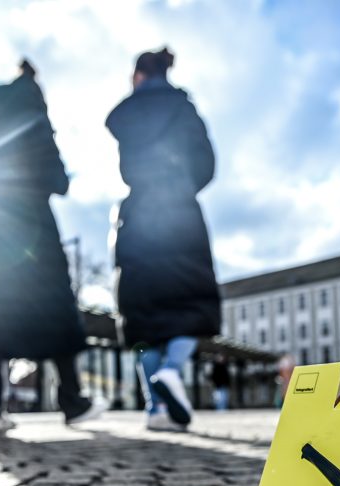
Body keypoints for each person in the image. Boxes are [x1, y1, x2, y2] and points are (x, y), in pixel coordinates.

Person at [0, 59, 106, 432]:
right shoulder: (34, 124)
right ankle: (73, 402)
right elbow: (58, 180)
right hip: (33, 233)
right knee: (56, 314)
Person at [107, 47, 220, 432]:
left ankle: (155, 410)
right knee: (190, 303)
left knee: (144, 318)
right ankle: (172, 371)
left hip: (138, 214)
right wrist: (183, 185)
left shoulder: (129, 113)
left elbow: (126, 167)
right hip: (178, 213)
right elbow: (207, 162)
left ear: (138, 76)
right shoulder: (182, 108)